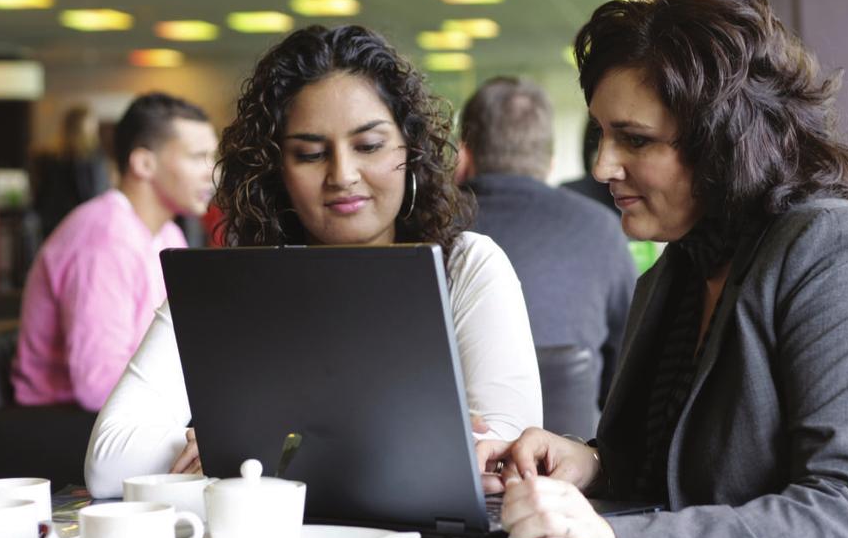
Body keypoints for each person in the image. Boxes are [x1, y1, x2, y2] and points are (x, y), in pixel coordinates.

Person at [476, 0, 848, 538]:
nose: (604, 165)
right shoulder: (682, 269)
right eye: (602, 135)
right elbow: (689, 469)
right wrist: (592, 463)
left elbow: (846, 522)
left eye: (634, 140)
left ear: (723, 140)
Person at [84, 25, 543, 498]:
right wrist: (401, 438)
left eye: (368, 146)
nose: (343, 175)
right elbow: (108, 459)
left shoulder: (467, 266)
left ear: (411, 150)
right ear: (276, 170)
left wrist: (253, 448)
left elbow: (503, 456)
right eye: (310, 154)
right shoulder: (227, 284)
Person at [12, 92, 217, 412]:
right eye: (197, 157)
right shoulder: (103, 239)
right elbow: (98, 386)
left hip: (128, 414)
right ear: (144, 163)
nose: (212, 171)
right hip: (66, 425)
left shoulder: (167, 234)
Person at [457, 76, 636, 437]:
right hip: (569, 472)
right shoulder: (603, 229)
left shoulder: (427, 230)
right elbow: (626, 379)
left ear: (466, 155)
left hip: (449, 466)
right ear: (549, 162)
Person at [30, 105, 111, 240]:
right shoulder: (90, 160)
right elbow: (93, 197)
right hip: (82, 230)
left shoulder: (51, 159)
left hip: (53, 229)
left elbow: (39, 201)